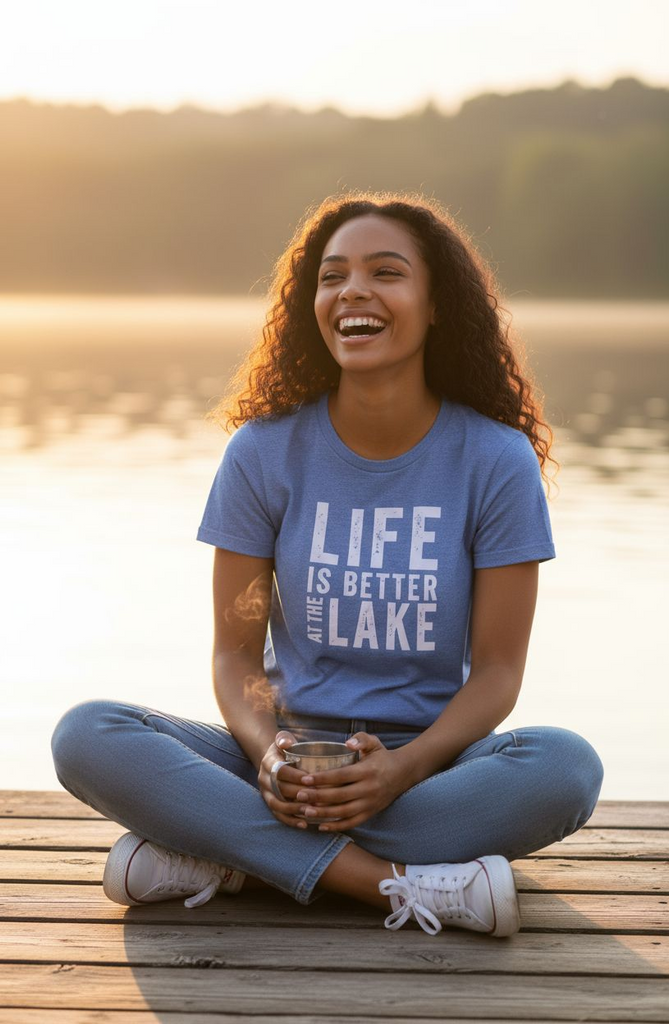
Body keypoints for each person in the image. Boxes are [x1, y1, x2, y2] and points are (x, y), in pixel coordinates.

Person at [51, 192, 604, 937]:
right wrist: (267, 754)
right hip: (279, 762)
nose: (353, 292)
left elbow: (498, 674)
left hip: (427, 769)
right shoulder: (263, 453)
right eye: (332, 275)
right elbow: (235, 655)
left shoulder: (494, 461)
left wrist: (399, 772)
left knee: (566, 768)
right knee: (87, 734)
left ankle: (233, 859)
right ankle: (393, 886)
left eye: (385, 272)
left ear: (436, 303)